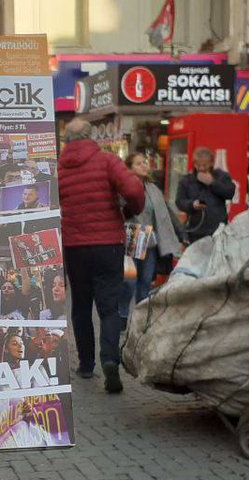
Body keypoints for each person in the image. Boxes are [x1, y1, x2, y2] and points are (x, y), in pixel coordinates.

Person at [57, 117, 145, 393]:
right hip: (108, 244)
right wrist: (130, 209)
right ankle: (109, 360)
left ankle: (85, 365)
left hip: (74, 247)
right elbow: (133, 190)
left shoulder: (58, 168)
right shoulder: (107, 161)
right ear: (90, 135)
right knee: (108, 307)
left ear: (67, 140)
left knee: (81, 306)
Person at [119, 151, 182, 326]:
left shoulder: (153, 188)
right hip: (133, 236)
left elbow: (166, 212)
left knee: (146, 282)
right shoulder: (124, 187)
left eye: (145, 162)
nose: (145, 165)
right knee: (129, 283)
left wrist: (180, 232)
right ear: (129, 169)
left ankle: (141, 320)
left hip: (151, 239)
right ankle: (122, 317)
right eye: (139, 163)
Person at [175, 147, 235, 243]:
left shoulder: (221, 176)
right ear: (194, 164)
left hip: (218, 230)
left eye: (204, 165)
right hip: (196, 231)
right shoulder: (187, 180)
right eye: (198, 165)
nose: (201, 168)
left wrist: (212, 183)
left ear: (211, 163)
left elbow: (230, 193)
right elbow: (179, 201)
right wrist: (192, 204)